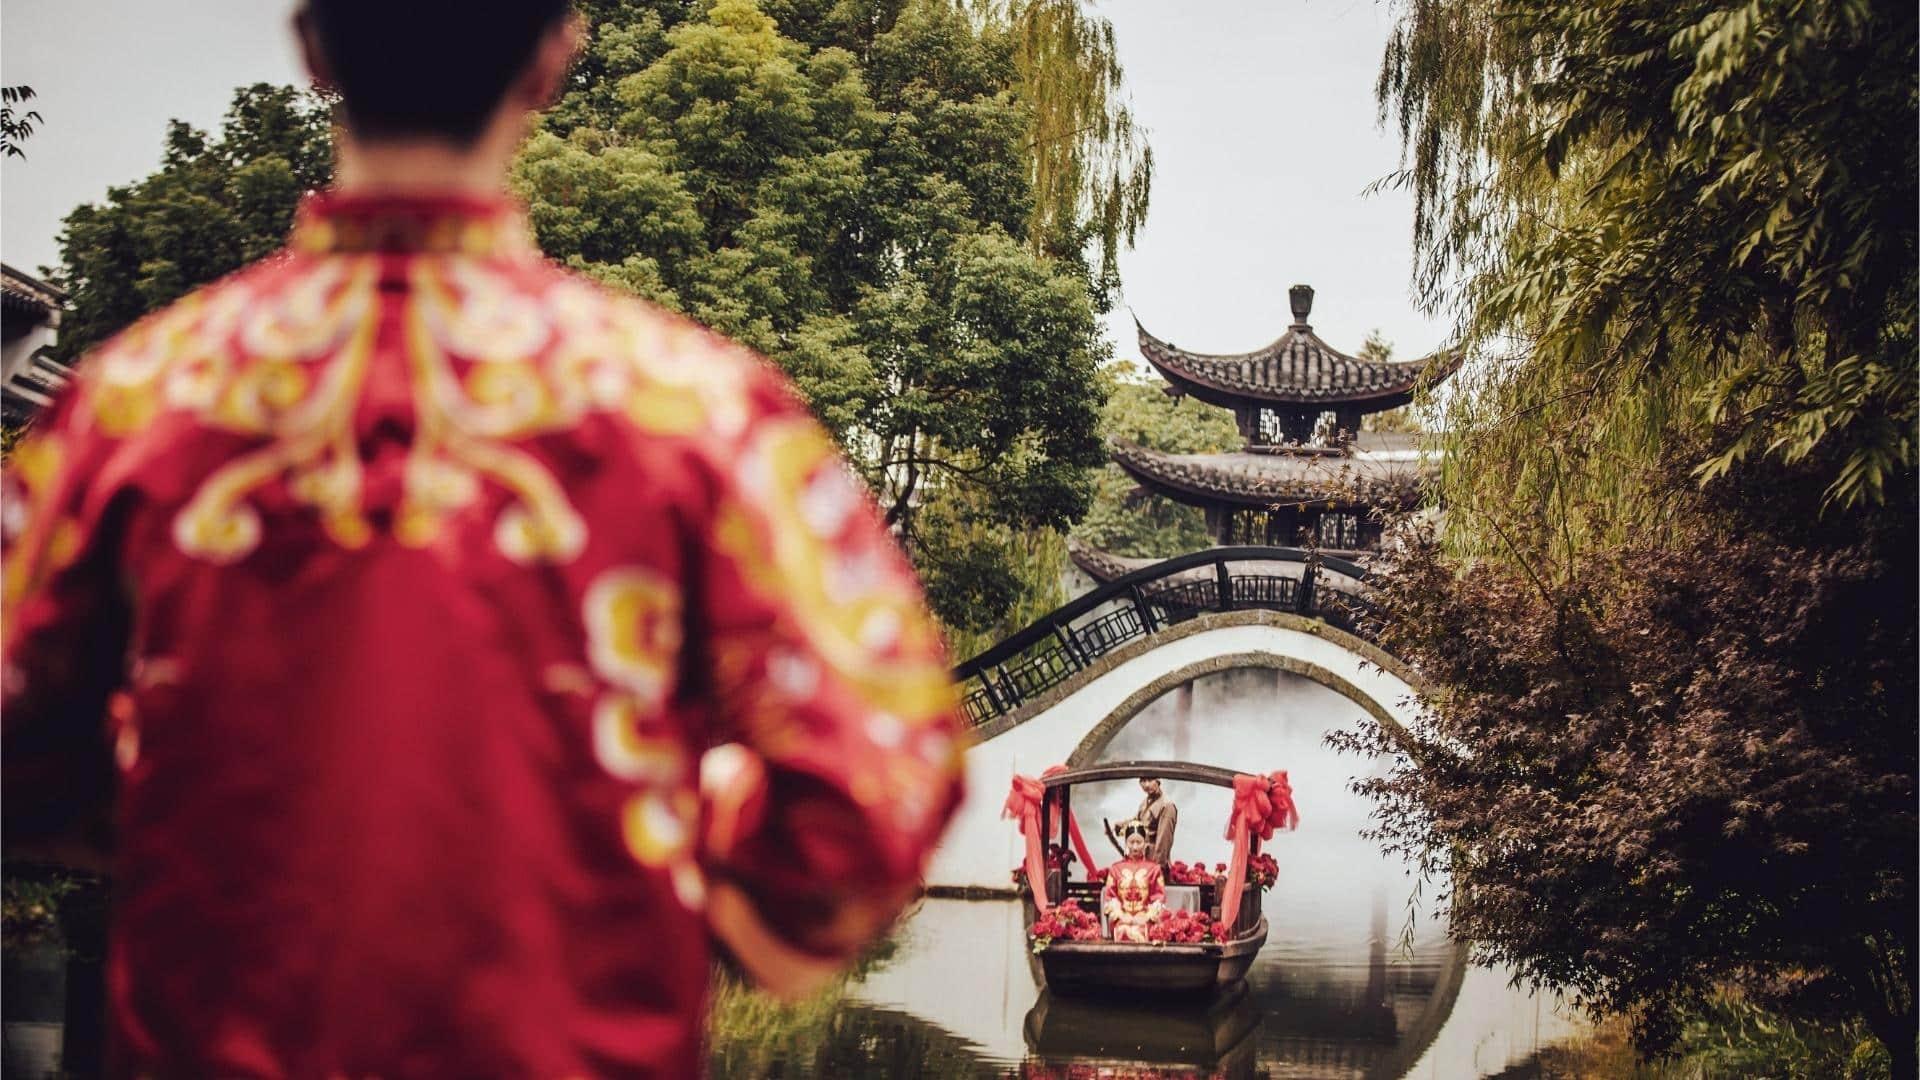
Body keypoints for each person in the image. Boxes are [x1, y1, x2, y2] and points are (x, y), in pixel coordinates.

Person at [0, 2, 966, 1075]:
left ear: (314, 48)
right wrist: (636, 807)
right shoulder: (696, 414)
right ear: (554, 57)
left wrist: (193, 784)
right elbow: (880, 792)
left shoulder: (137, 404)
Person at [1101, 820, 1166, 942]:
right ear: (1126, 843)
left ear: (1145, 843)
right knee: (1123, 929)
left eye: (1139, 842)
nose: (1135, 846)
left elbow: (1159, 899)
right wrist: (1121, 915)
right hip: (1122, 919)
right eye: (1131, 842)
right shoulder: (1115, 869)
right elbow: (1110, 898)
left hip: (1145, 920)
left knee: (1142, 929)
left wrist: (1146, 916)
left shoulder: (1154, 869)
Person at [1137, 776, 1179, 870]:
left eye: (1150, 780)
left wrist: (1157, 868)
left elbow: (1164, 841)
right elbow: (1137, 822)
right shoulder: (1145, 802)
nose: (1146, 785)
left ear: (1158, 781)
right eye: (1143, 781)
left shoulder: (1167, 805)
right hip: (1143, 858)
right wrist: (1120, 826)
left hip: (1155, 861)